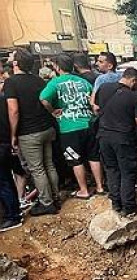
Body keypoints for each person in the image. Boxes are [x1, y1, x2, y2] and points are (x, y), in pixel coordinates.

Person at [40, 54, 103, 199]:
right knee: (94, 156)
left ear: (57, 67)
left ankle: (84, 190)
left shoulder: (55, 83)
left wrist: (53, 111)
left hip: (68, 127)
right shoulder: (83, 81)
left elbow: (43, 99)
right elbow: (91, 100)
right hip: (88, 123)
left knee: (75, 160)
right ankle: (100, 187)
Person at [5, 48, 59, 216]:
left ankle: (46, 203)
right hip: (46, 128)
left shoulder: (11, 83)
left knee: (37, 169)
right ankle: (55, 197)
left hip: (28, 133)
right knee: (49, 164)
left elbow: (13, 110)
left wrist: (13, 134)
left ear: (15, 63)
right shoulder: (38, 80)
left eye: (11, 56)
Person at [95, 67, 137, 216]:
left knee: (111, 169)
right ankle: (128, 206)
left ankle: (116, 202)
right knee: (127, 172)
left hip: (103, 136)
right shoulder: (134, 97)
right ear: (133, 80)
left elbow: (96, 107)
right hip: (123, 139)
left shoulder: (104, 88)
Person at [0, 77, 22, 231]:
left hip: (2, 144)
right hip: (6, 142)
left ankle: (12, 215)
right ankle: (13, 212)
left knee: (3, 182)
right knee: (7, 179)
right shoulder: (3, 100)